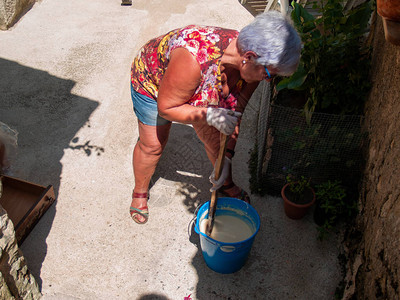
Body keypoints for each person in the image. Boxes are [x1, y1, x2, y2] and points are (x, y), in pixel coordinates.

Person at [129, 11, 301, 224]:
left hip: (198, 82)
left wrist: (227, 157)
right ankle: (140, 192)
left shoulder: (253, 64)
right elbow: (167, 108)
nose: (268, 80)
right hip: (152, 80)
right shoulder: (192, 60)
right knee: (153, 145)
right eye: (269, 74)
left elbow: (237, 113)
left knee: (215, 139)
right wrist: (208, 114)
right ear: (248, 58)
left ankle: (225, 182)